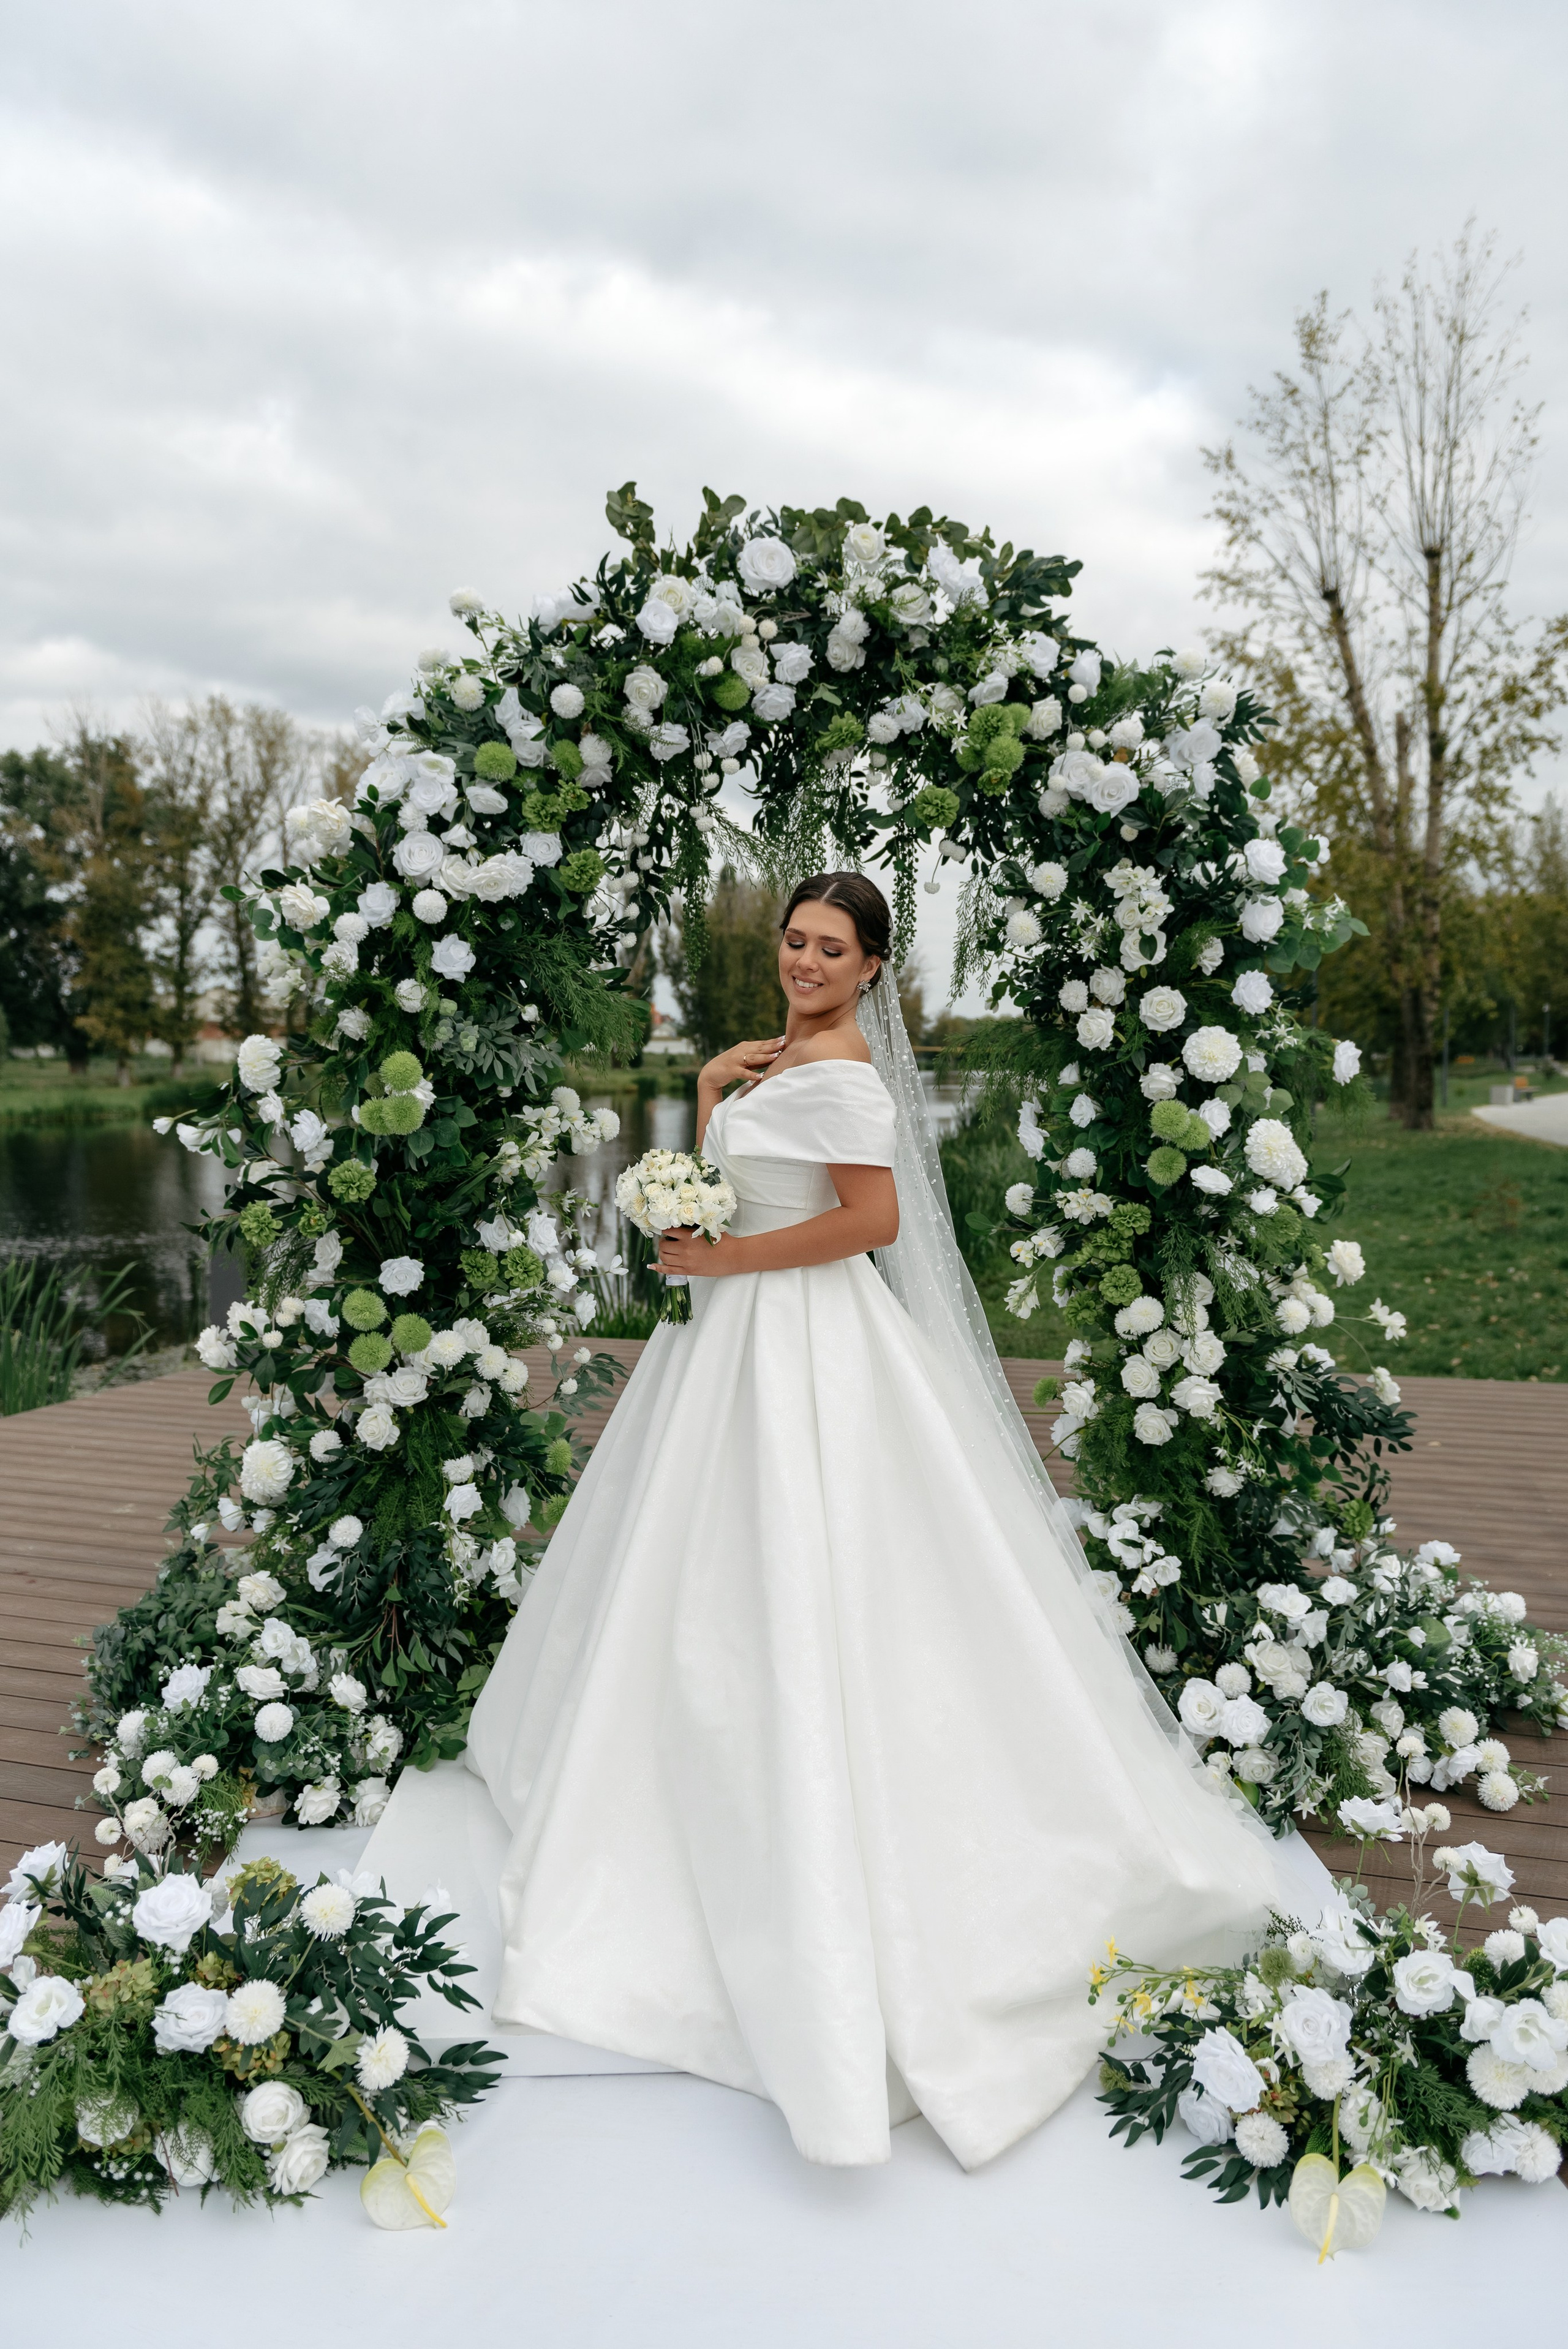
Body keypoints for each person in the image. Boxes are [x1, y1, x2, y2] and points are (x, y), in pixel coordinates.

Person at [464, 871, 1288, 2172]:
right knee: (696, 1574)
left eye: (830, 949)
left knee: (822, 1570)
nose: (804, 961)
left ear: (869, 969)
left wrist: (722, 1257)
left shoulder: (846, 1074)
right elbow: (738, 1185)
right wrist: (708, 1100)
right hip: (724, 1341)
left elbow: (869, 1220)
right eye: (794, 940)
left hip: (805, 1339)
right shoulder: (778, 1057)